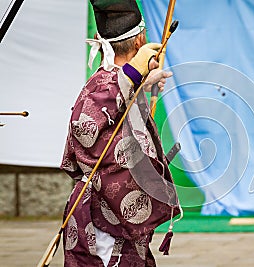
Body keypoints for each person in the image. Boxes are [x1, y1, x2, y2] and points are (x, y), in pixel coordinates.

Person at [60, 0, 180, 266]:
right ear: (140, 43)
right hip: (102, 224)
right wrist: (132, 75)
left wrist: (140, 81)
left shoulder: (116, 84)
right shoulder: (105, 85)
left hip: (122, 220)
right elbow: (85, 126)